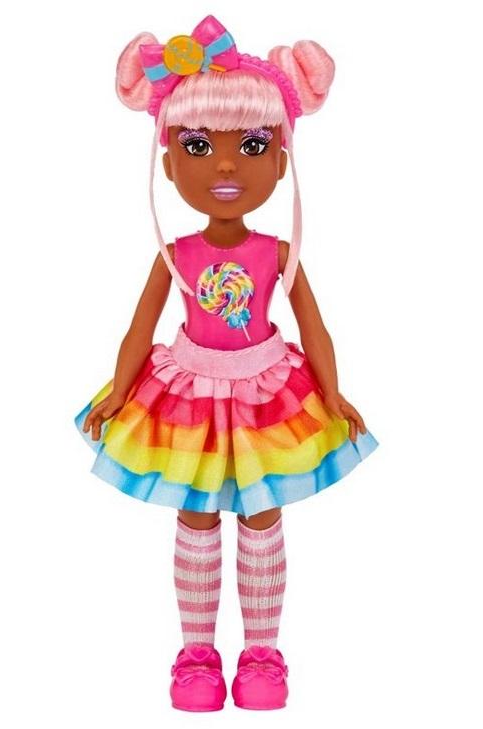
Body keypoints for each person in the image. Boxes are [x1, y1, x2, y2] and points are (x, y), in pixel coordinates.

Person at [73, 14, 379, 712]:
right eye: (198, 145)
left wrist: (333, 393)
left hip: (267, 391)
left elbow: (313, 326)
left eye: (252, 145)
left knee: (262, 515)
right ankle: (197, 656)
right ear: (168, 162)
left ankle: (263, 653)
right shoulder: (175, 253)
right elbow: (141, 326)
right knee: (197, 516)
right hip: (189, 391)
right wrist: (119, 391)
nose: (225, 166)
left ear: (281, 159)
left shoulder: (276, 252)